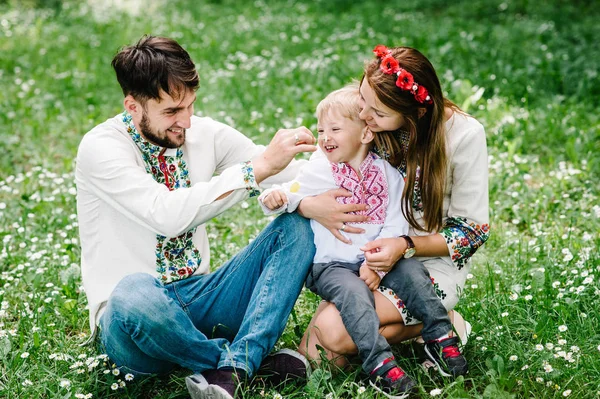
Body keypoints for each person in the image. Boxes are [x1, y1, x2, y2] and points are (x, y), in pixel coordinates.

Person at [75, 35, 318, 399]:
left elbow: (289, 173)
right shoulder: (101, 149)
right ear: (133, 106)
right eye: (172, 111)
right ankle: (236, 361)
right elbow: (166, 215)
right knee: (132, 292)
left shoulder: (203, 133)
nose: (186, 121)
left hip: (200, 299)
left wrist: (348, 162)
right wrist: (257, 168)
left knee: (295, 227)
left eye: (190, 105)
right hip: (134, 327)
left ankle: (234, 368)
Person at [297, 44, 490, 383]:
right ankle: (420, 328)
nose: (365, 118)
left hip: (425, 262)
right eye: (362, 102)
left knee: (333, 334)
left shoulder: (464, 136)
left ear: (415, 113)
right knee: (316, 354)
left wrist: (403, 244)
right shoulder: (375, 122)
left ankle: (440, 321)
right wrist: (307, 204)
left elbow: (472, 231)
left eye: (377, 113)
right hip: (367, 254)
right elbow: (320, 164)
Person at [258, 84, 419, 396]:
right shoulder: (322, 168)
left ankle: (436, 329)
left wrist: (378, 266)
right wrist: (274, 198)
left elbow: (394, 224)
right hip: (330, 266)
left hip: (368, 263)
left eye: (334, 128)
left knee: (413, 284)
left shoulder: (384, 173)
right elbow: (291, 191)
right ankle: (380, 363)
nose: (324, 137)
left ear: (365, 133)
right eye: (321, 130)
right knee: (351, 298)